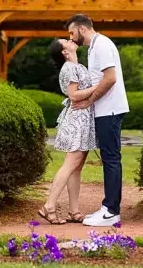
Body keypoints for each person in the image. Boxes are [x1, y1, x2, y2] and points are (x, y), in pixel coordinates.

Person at [66, 13, 129, 227]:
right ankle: (108, 207)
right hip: (104, 110)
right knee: (108, 158)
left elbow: (110, 78)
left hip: (109, 110)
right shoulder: (94, 48)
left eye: (72, 32)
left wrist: (89, 101)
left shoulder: (102, 44)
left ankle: (111, 211)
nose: (72, 38)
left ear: (82, 29)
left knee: (111, 158)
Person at [37, 38, 98, 225]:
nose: (71, 39)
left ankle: (73, 211)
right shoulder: (70, 68)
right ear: (64, 52)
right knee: (71, 164)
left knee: (76, 167)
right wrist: (99, 86)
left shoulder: (77, 66)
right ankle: (49, 206)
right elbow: (73, 95)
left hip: (83, 118)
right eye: (66, 41)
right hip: (77, 120)